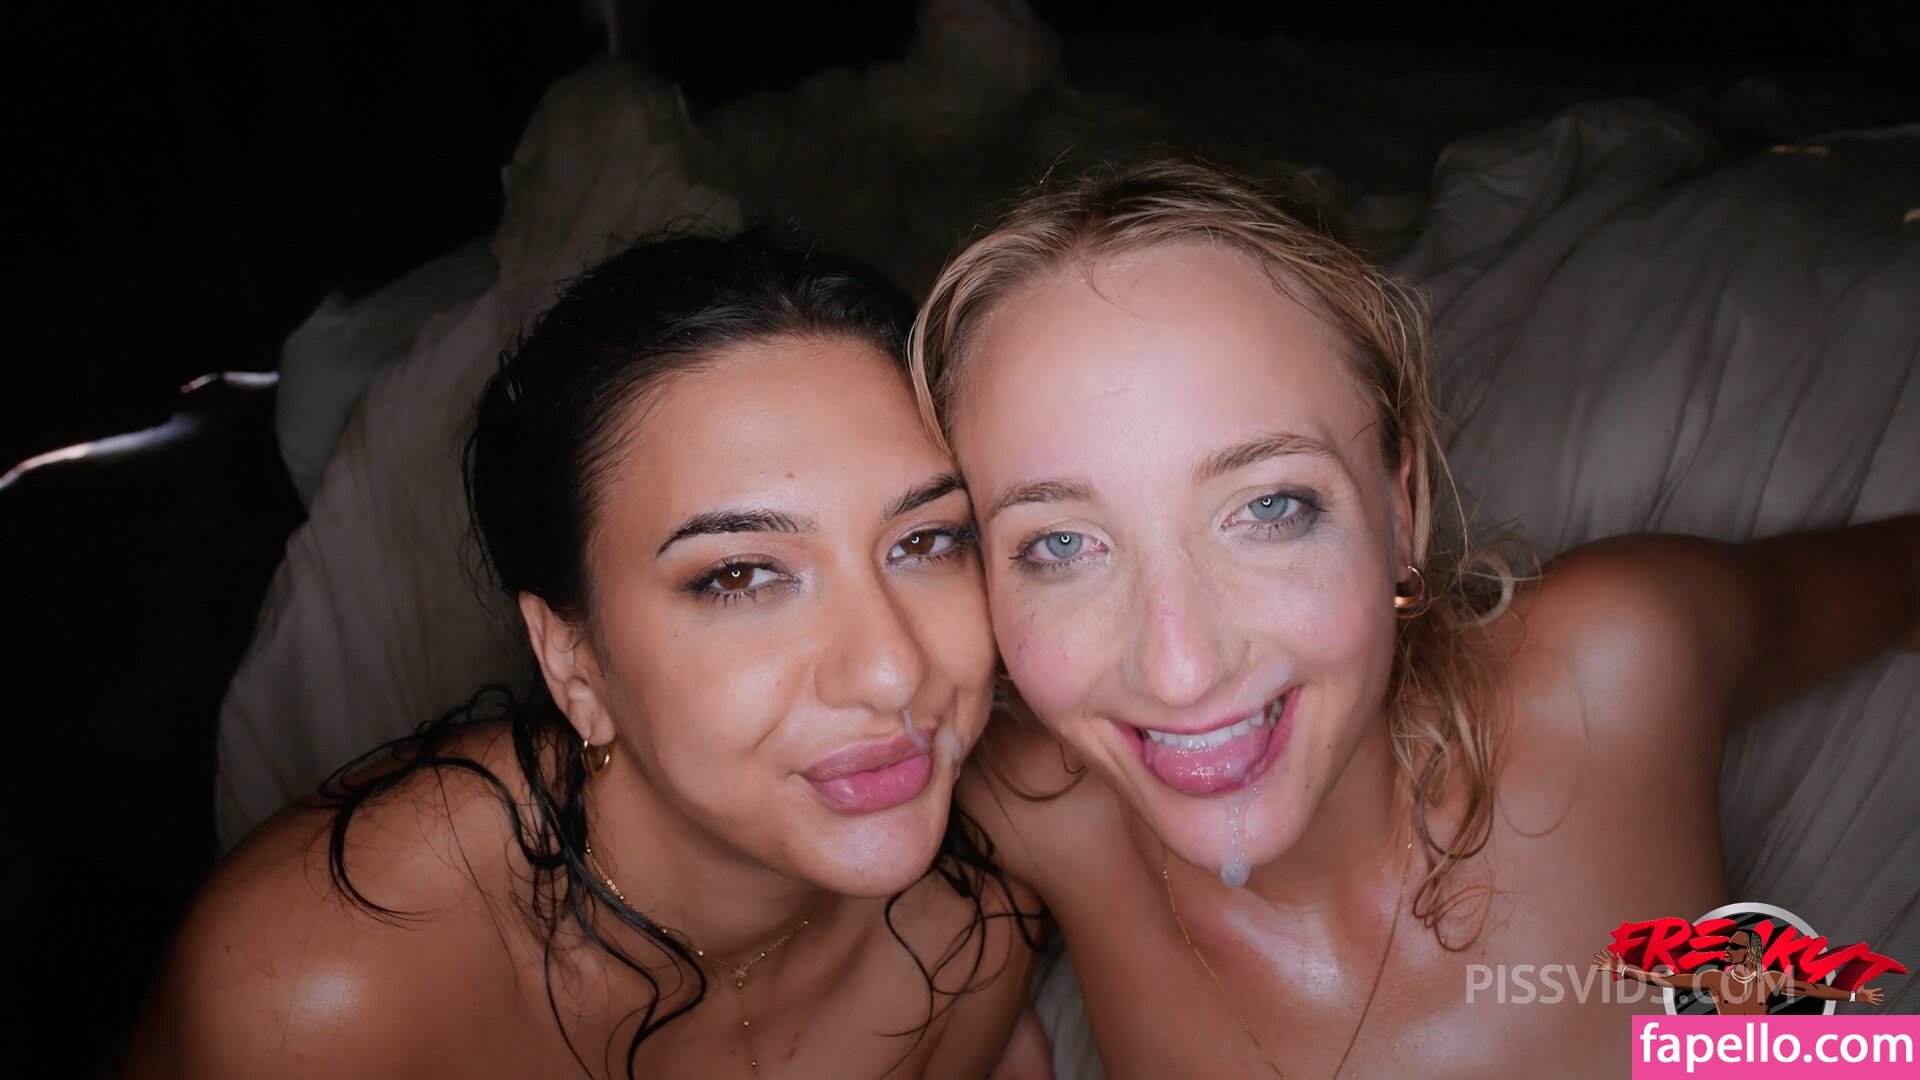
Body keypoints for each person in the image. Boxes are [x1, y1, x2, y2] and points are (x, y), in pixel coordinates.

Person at [907, 157, 1920, 1077]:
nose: (1180, 670)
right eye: (1061, 546)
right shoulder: (1029, 806)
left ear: (1400, 510)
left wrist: (1816, 1056)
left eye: (1270, 508)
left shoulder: (1623, 661)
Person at [128, 232, 1048, 1079]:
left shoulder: (971, 944)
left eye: (928, 541)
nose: (892, 670)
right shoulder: (311, 996)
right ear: (572, 661)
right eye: (738, 576)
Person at [1592, 931, 1887, 1015]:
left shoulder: (1771, 980)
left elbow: (1815, 990)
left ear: (1750, 952)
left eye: (1733, 946)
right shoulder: (1715, 979)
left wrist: (1853, 995)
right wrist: (1625, 970)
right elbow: (1666, 979)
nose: (1727, 950)